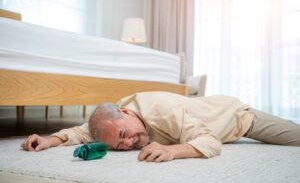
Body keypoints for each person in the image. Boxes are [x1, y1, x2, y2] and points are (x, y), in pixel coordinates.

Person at [21, 92, 300, 163]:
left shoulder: (161, 110)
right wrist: (49, 141)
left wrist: (171, 151)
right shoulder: (114, 118)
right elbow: (83, 131)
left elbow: (211, 141)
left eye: (124, 135)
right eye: (121, 146)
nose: (130, 143)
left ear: (126, 112)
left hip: (238, 119)